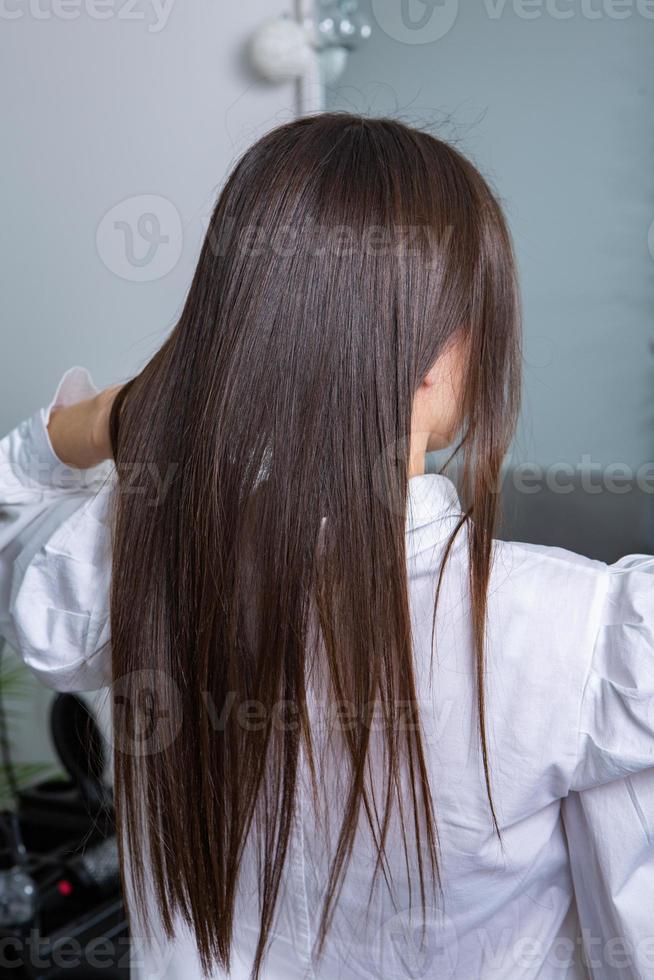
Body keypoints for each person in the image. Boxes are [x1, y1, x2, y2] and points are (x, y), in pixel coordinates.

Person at [1, 114, 653, 980]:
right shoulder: (586, 641)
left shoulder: (143, 554)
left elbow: (19, 508)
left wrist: (125, 413)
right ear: (437, 349)